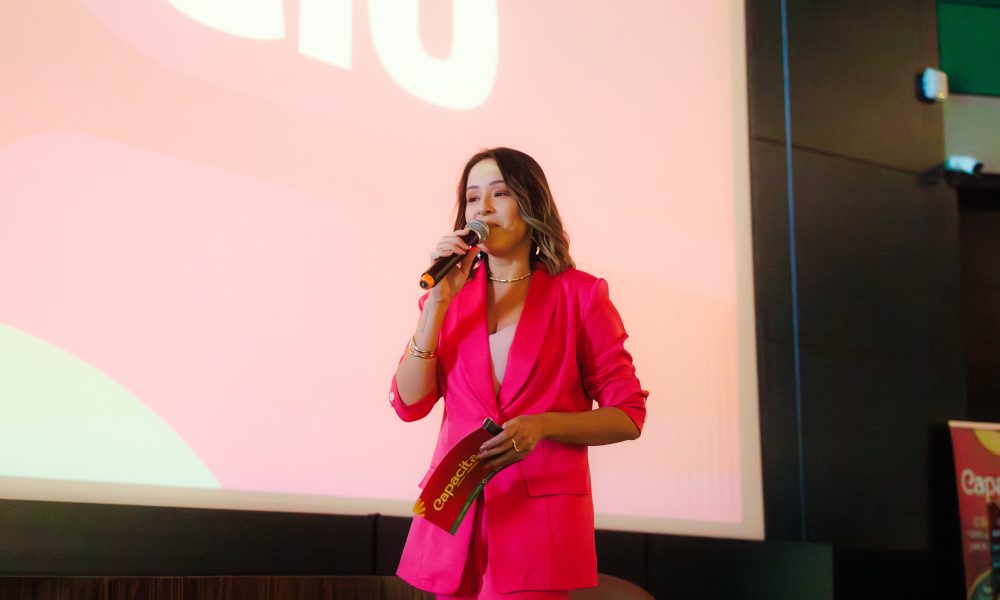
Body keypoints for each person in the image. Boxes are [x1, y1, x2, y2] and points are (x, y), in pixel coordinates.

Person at [389, 148, 647, 599]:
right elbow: (409, 405)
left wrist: (542, 426)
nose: (483, 209)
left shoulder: (581, 295)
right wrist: (435, 309)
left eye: (500, 193)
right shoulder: (448, 297)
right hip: (452, 518)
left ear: (531, 205)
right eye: (472, 198)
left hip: (537, 528)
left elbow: (628, 415)